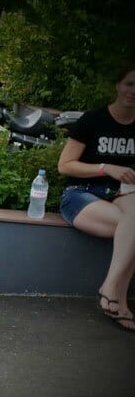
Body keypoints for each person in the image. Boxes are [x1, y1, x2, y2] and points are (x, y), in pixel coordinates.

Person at [57, 63, 135, 332]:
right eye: (130, 84)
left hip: (122, 193)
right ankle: (118, 299)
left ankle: (110, 288)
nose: (133, 91)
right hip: (81, 194)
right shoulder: (93, 120)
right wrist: (106, 168)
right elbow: (64, 165)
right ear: (118, 85)